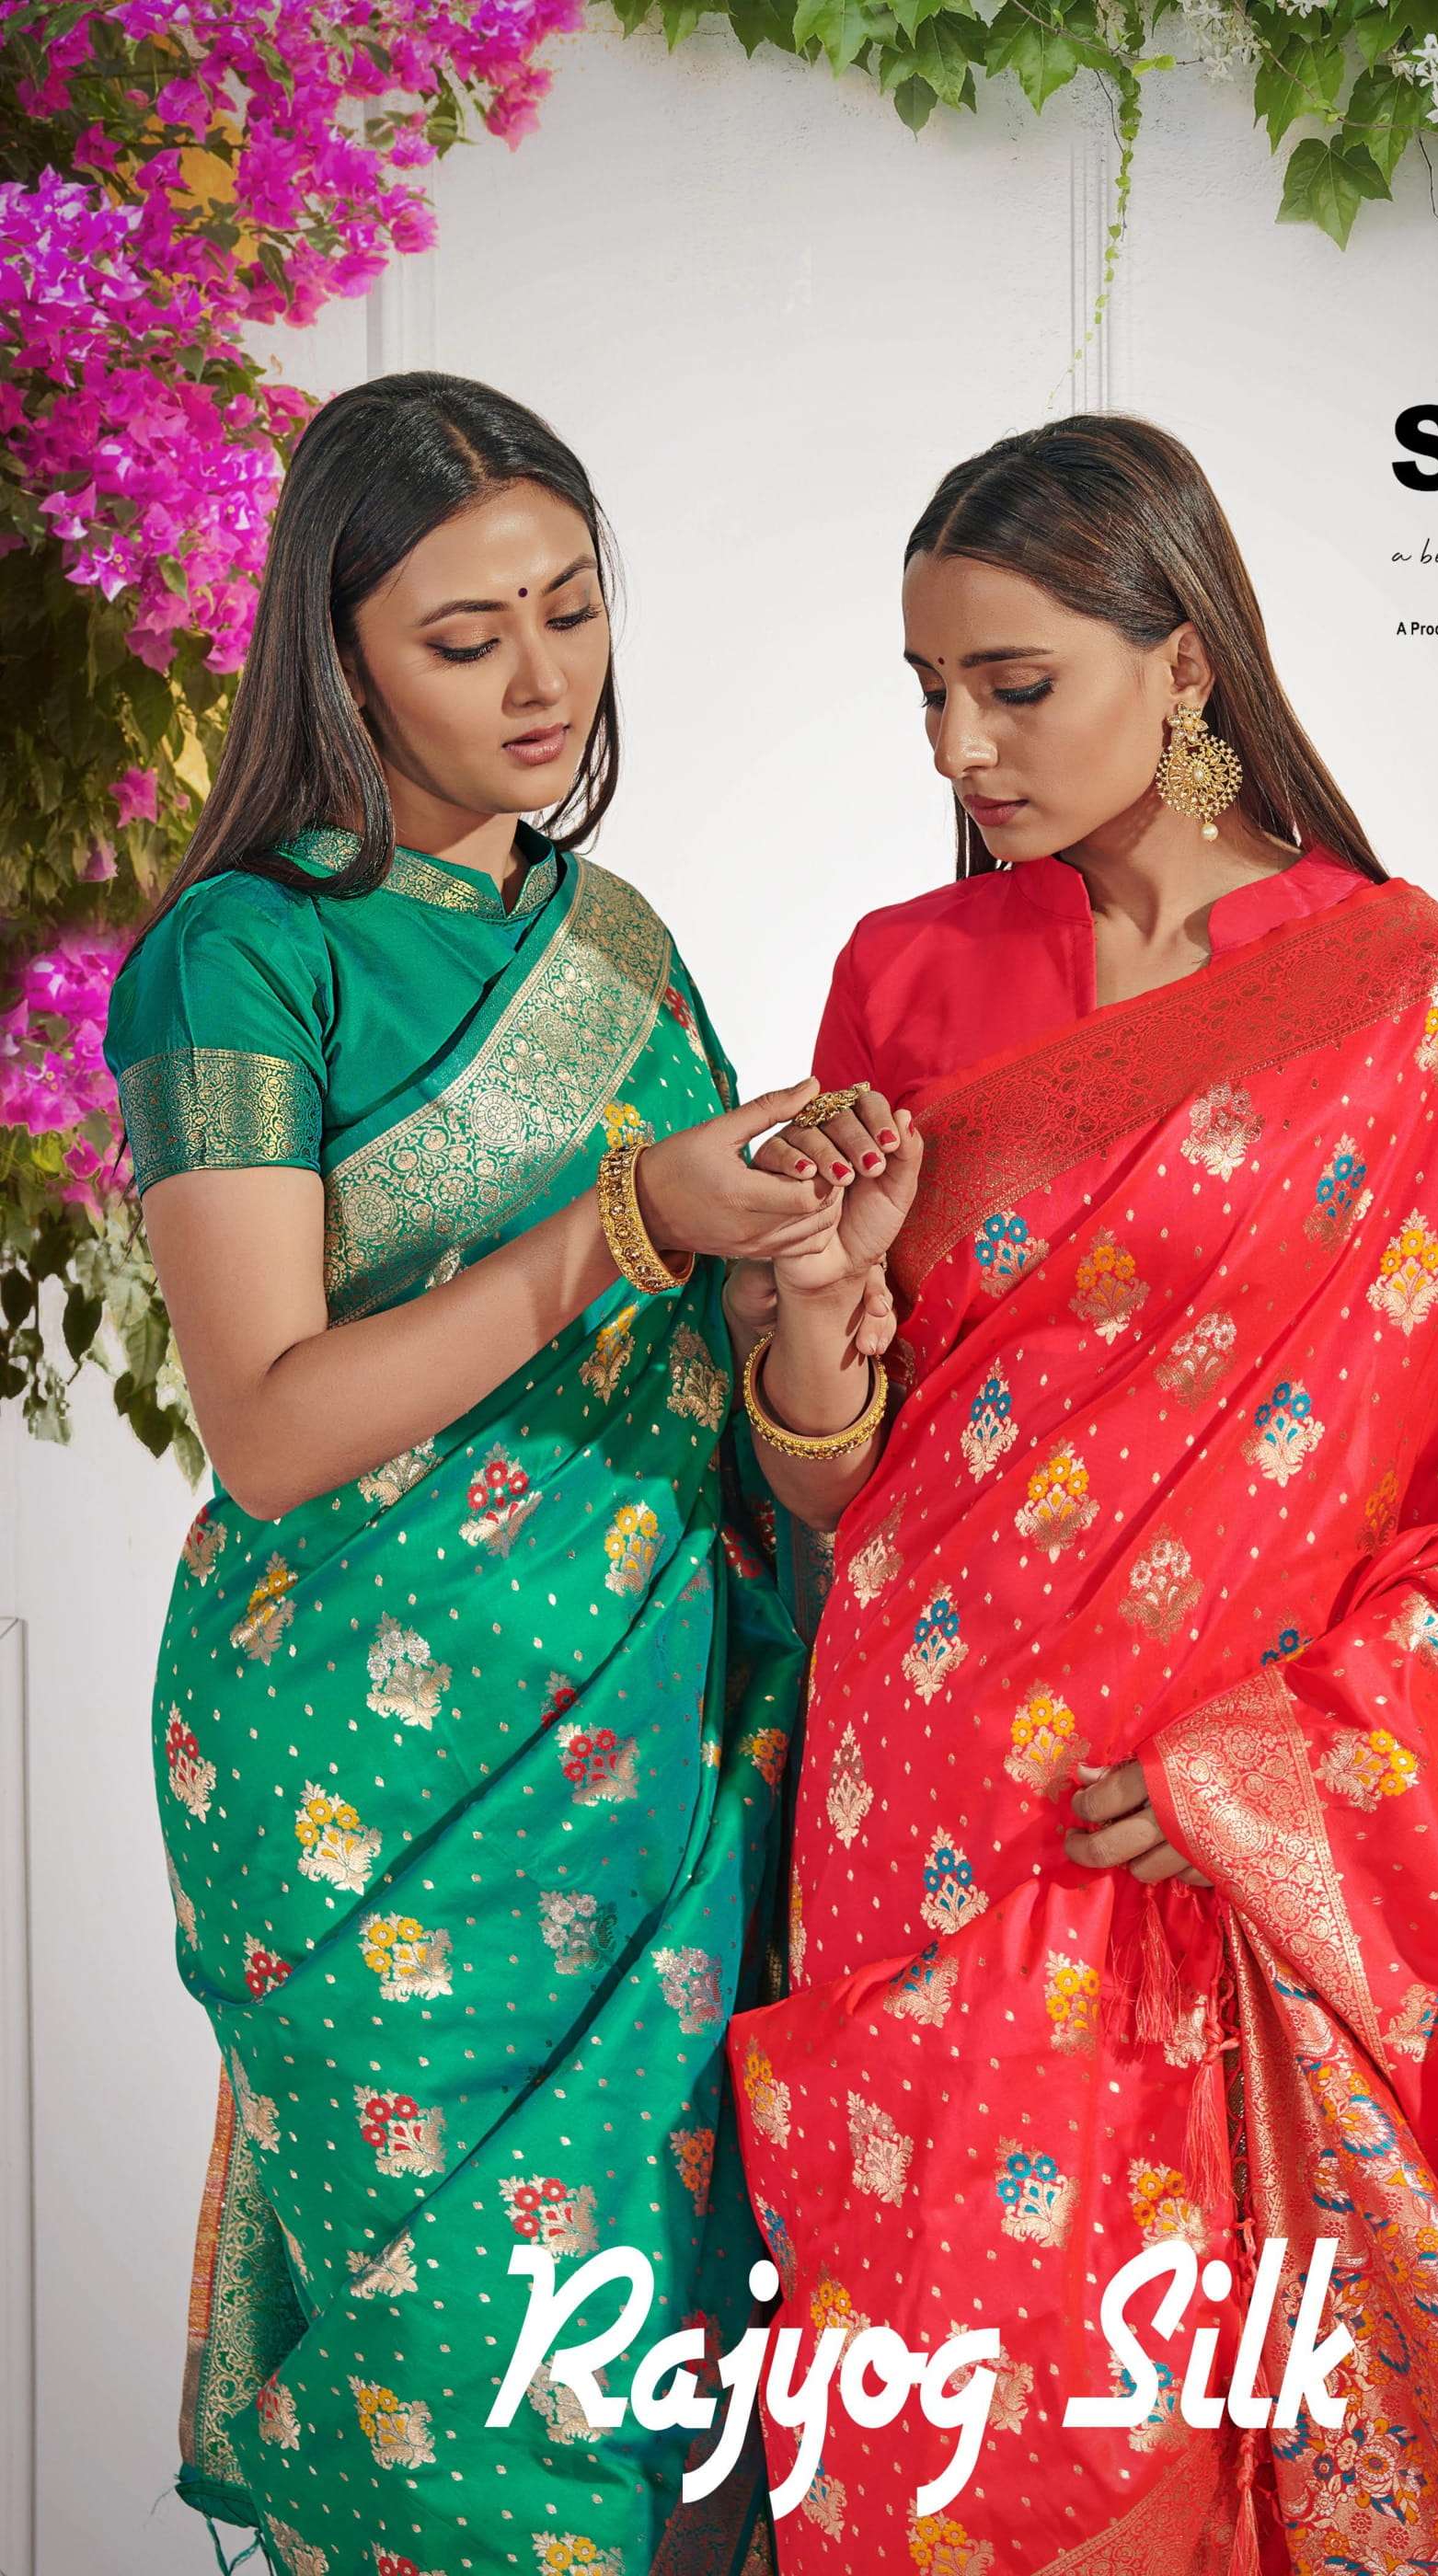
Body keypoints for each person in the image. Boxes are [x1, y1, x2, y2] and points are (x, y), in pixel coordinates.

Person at [723, 415, 1438, 2572]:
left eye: (1015, 684)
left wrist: (1272, 1772)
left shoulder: (1411, 1001)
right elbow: (828, 1467)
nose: (963, 746)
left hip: (1224, 1839)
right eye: (929, 690)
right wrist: (811, 1300)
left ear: (1181, 660)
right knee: (954, 2443)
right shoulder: (905, 973)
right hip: (927, 1818)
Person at [103, 371, 855, 2576]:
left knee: (665, 2399)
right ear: (337, 657)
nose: (544, 679)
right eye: (464, 636)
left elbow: (724, 1379)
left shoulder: (612, 943)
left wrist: (813, 1258)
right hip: (370, 1777)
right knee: (448, 2404)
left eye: (572, 608)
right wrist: (626, 1220)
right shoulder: (239, 957)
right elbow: (269, 1420)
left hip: (652, 1746)